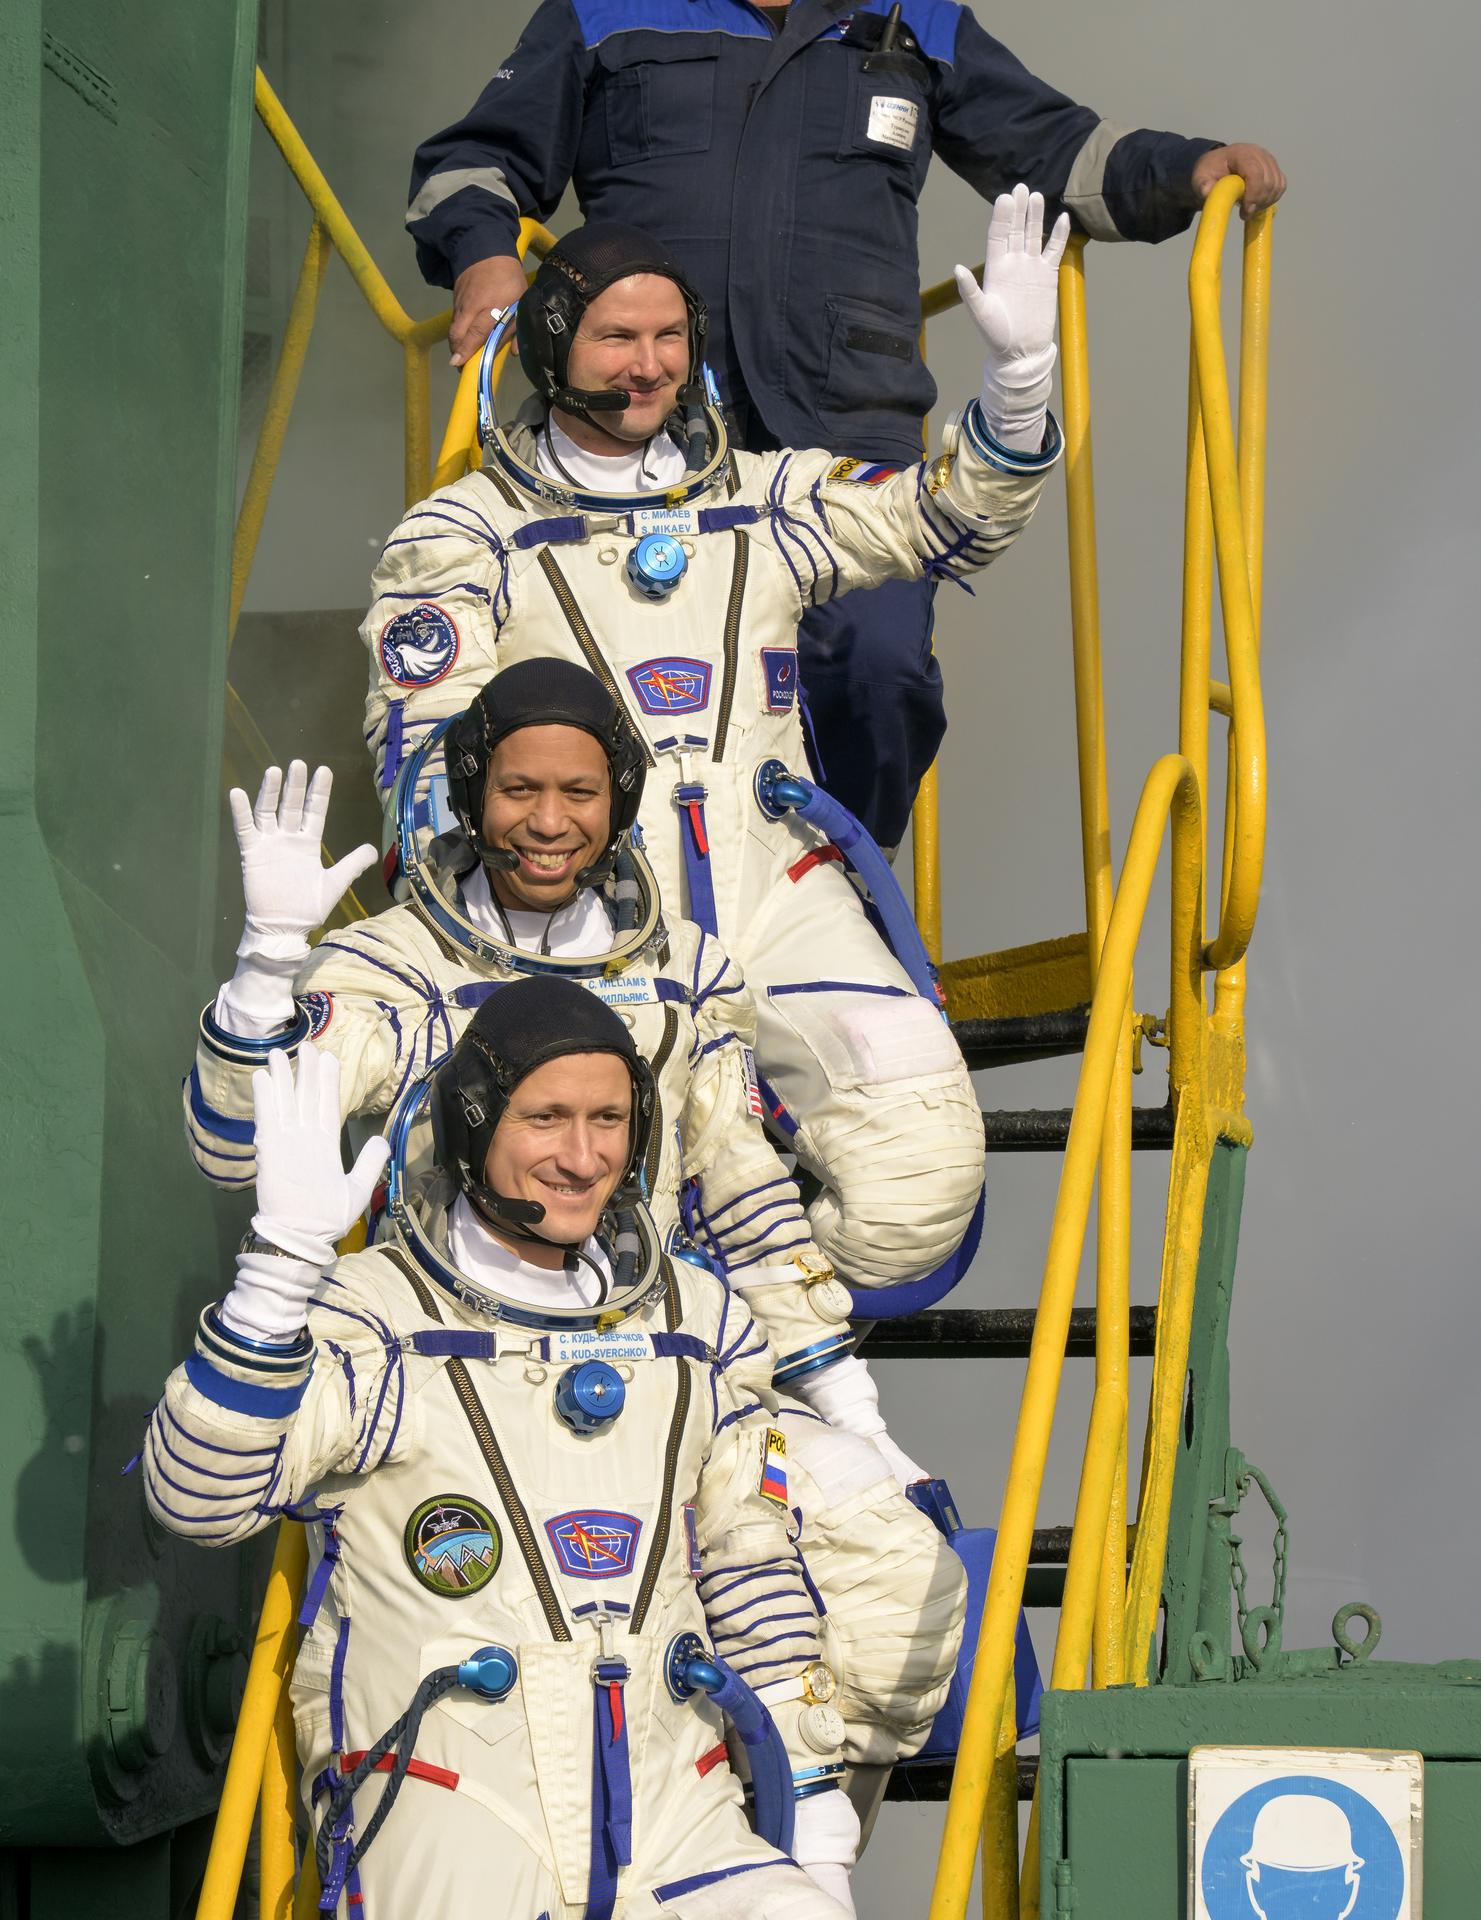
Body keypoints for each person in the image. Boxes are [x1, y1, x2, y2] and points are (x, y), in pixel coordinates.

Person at [185, 658, 968, 1806]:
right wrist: (263, 976)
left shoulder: (686, 976)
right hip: (446, 1375)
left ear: (619, 800)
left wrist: (850, 1410)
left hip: (655, 1361)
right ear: (467, 791)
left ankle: (805, 1841)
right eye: (515, 791)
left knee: (884, 1557)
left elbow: (744, 1196)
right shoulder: (393, 968)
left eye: (579, 794)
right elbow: (232, 1146)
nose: (546, 824)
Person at [358, 188, 1061, 1297]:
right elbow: (427, 768)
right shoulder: (465, 537)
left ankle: (762, 1337)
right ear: (553, 344)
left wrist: (1016, 389)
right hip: (584, 922)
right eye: (617, 337)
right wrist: (520, 925)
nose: (648, 367)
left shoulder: (767, 500)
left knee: (919, 1180)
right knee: (568, 1206)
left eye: (669, 338)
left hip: (775, 891)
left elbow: (945, 518)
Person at [406, 0, 1286, 847]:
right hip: (644, 427)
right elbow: (476, 158)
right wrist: (484, 257)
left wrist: (1188, 170)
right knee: (610, 670)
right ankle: (609, 917)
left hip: (843, 429)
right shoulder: (606, 11)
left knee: (876, 668)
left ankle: (844, 895)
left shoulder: (916, 22)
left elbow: (1060, 153)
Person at [149, 983, 871, 1915]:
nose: (582, 1157)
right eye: (546, 1118)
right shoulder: (376, 1317)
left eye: (609, 1118)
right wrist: (281, 1266)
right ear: (473, 1125)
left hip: (676, 1813)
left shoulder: (699, 1325)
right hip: (453, 1808)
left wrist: (813, 1821)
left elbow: (751, 1569)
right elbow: (196, 1498)